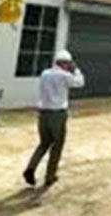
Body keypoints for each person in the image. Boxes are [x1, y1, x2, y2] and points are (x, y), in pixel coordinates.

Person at [23, 49, 85, 187]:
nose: (69, 66)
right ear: (64, 63)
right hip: (57, 114)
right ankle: (50, 176)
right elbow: (80, 83)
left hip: (43, 113)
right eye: (68, 63)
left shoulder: (45, 74)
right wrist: (76, 70)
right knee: (57, 145)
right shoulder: (64, 75)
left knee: (44, 143)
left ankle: (31, 167)